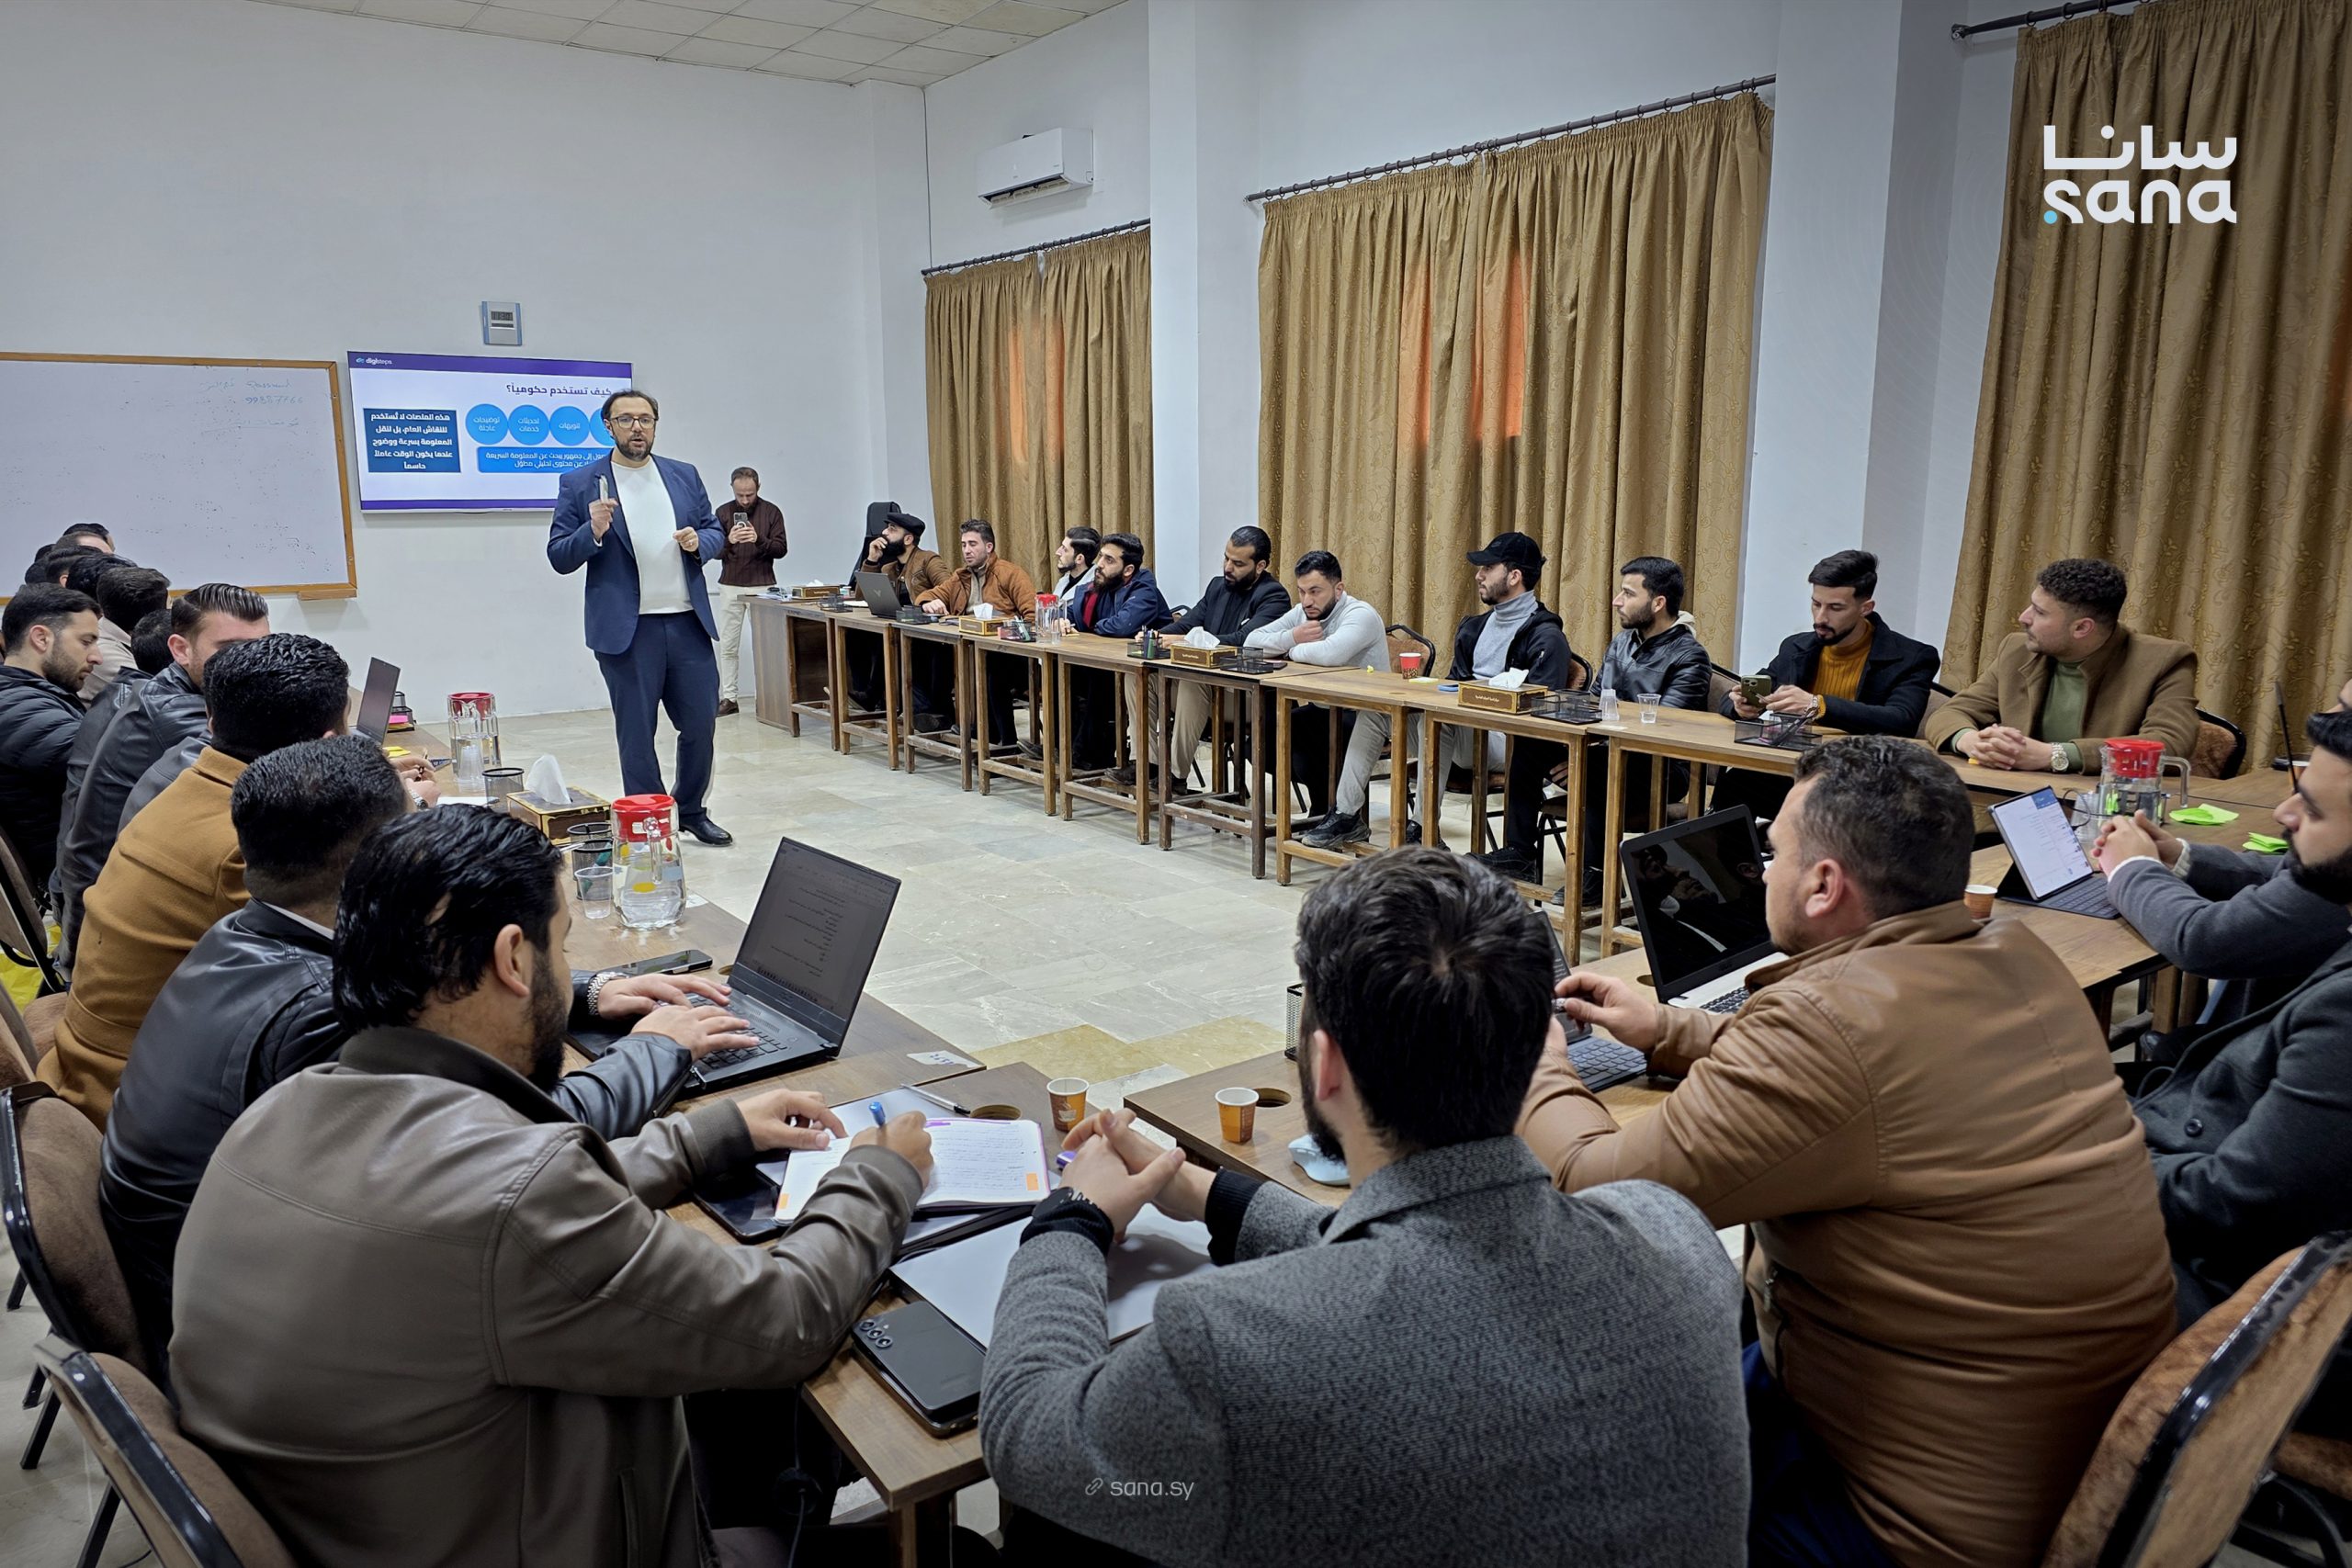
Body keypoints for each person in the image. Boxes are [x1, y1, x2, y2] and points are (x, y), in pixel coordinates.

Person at [171, 807, 937, 1568]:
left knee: (739, 1420)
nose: (566, 976)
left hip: (381, 1519)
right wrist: (879, 1173)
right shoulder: (514, 1200)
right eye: (562, 946)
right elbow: (788, 1318)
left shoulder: (277, 1113)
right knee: (944, 1542)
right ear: (514, 958)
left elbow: (488, 1209)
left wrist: (708, 1135)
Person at [983, 848, 1747, 1566]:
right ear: (1540, 1051)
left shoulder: (1231, 1344)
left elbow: (1026, 1434)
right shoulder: (1674, 1237)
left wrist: (1074, 1216)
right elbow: (1440, 1250)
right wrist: (1215, 1196)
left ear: (1325, 1066)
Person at [1520, 737, 2176, 1567]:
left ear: (1825, 885)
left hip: (1912, 1523)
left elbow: (1590, 1186)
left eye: (1774, 852)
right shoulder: (2016, 955)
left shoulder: (1825, 1027)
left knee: (1563, 1490)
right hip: (2037, 1454)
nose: (1764, 870)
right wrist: (1669, 1029)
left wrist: (1533, 1060)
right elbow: (1868, 1068)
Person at [98, 736, 752, 1377]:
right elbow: (522, 1137)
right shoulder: (319, 1015)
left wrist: (582, 990)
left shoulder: (247, 933)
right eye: (419, 822)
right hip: (273, 1339)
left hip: (231, 1299)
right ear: (386, 863)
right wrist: (658, 1048)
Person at [2118, 706, 2352, 1437]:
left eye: (2312, 808)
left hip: (2268, 1325)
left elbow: (2234, 1205)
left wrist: (2084, 1167)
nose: (2284, 815)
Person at [41, 633, 350, 1125]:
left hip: (88, 1064)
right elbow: (348, 962)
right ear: (328, 747)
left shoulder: (181, 780)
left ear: (210, 719)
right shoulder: (250, 844)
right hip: (137, 1105)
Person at [2088, 676, 2352, 1034]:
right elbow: (2284, 871)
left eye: (2345, 710)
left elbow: (2203, 941)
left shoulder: (2336, 883)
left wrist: (2131, 867)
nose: (2327, 715)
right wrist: (2180, 857)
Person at [1304, 534, 1576, 878]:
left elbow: (1538, 707)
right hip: (1460, 731)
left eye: (1488, 568)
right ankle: (1346, 815)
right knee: (1377, 714)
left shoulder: (1546, 636)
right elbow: (1451, 687)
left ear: (1514, 576)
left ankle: (1423, 830)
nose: (1478, 575)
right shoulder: (1474, 628)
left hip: (1503, 741)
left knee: (1439, 722)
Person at [548, 388, 732, 848]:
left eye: (645, 419)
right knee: (637, 735)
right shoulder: (581, 482)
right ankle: (649, 821)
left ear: (654, 425)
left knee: (701, 725)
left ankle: (691, 810)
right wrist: (591, 531)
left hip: (688, 624)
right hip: (628, 632)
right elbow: (559, 555)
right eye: (626, 419)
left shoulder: (683, 475)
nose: (637, 428)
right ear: (608, 426)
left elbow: (714, 529)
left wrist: (701, 543)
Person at [52, 582, 270, 968]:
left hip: (101, 904)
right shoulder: (178, 717)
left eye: (261, 647)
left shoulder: (162, 689)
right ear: (180, 649)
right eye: (230, 649)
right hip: (107, 939)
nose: (252, 664)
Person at [1714, 550, 1940, 822]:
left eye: (1835, 608)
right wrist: (1741, 706)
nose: (1820, 618)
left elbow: (1901, 719)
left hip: (1864, 783)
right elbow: (1737, 696)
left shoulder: (1912, 657)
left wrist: (1817, 705)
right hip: (1797, 771)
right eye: (1816, 604)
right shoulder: (1796, 647)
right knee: (1735, 783)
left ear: (1865, 607)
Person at [1926, 557, 2199, 772]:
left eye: (2040, 612)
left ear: (2081, 628)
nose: (2024, 618)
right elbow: (1951, 713)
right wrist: (1971, 741)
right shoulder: (2017, 650)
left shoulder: (2165, 660)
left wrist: (2054, 755)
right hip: (2015, 801)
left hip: (2108, 811)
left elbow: (2169, 744)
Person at [1573, 556, 1713, 905]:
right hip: (1610, 751)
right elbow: (1594, 700)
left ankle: (1597, 876)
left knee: (1594, 769)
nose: (1617, 601)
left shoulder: (1690, 656)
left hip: (1664, 767)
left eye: (1628, 593)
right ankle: (1519, 856)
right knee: (1532, 749)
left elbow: (1665, 724)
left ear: (1658, 602)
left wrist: (1592, 748)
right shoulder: (1622, 642)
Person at [1245, 550, 1389, 821]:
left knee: (1312, 736)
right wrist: (1293, 636)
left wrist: (1289, 650)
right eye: (1301, 591)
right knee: (1262, 739)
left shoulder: (1360, 614)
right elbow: (1251, 643)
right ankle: (1323, 805)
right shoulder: (1302, 612)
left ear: (1338, 589)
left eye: (1315, 591)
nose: (1306, 601)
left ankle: (1331, 811)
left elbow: (1330, 654)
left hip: (1364, 715)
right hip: (1324, 708)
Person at [1146, 526, 1292, 789]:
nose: (1227, 568)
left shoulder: (1273, 596)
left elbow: (1244, 641)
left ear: (1260, 566)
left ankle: (1175, 778)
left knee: (1192, 681)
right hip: (1211, 689)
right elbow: (1186, 624)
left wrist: (1184, 641)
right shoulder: (1217, 586)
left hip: (1247, 695)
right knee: (1143, 678)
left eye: (1238, 563)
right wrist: (1155, 636)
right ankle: (1146, 765)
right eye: (1226, 558)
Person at [0, 586, 103, 891]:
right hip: (70, 884)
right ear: (41, 638)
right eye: (86, 642)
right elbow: (107, 761)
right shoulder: (14, 706)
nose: (96, 657)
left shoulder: (29, 695)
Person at [914, 520, 1038, 746]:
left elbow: (1032, 617)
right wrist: (928, 603)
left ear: (989, 547)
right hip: (971, 648)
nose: (967, 550)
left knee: (993, 666)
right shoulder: (960, 577)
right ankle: (946, 719)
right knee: (932, 654)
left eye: (973, 544)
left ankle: (1004, 739)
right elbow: (927, 595)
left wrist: (1005, 629)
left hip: (1009, 652)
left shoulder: (1010, 574)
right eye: (963, 545)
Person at [1068, 533, 1170, 777]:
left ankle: (1087, 755)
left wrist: (1092, 628)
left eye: (1109, 560)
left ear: (1128, 570)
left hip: (1150, 672)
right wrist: (1063, 620)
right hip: (1114, 664)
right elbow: (1075, 613)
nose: (1099, 564)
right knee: (1063, 671)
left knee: (1099, 678)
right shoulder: (1104, 584)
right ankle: (1063, 747)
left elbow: (1123, 626)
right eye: (1101, 556)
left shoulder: (1144, 588)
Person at [845, 510, 946, 712]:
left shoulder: (928, 560)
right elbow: (861, 599)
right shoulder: (888, 568)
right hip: (898, 627)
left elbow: (948, 586)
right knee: (856, 636)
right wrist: (872, 561)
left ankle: (873, 696)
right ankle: (868, 693)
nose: (884, 533)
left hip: (923, 631)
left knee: (889, 639)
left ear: (908, 539)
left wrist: (927, 601)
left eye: (892, 529)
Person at [714, 465, 788, 718]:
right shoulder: (722, 512)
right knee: (728, 645)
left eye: (750, 494)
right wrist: (729, 540)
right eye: (740, 495)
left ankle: (766, 697)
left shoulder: (771, 512)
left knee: (766, 646)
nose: (745, 500)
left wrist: (758, 539)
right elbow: (713, 551)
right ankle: (729, 698)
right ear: (732, 489)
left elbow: (781, 549)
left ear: (758, 488)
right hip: (730, 585)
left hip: (763, 585)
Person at [81, 563, 170, 702]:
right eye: (170, 604)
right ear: (155, 617)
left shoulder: (106, 629)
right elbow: (160, 695)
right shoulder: (103, 653)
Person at [1046, 525, 1101, 604]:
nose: (1058, 552)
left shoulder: (1094, 588)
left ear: (1079, 559)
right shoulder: (1065, 580)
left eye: (1065, 549)